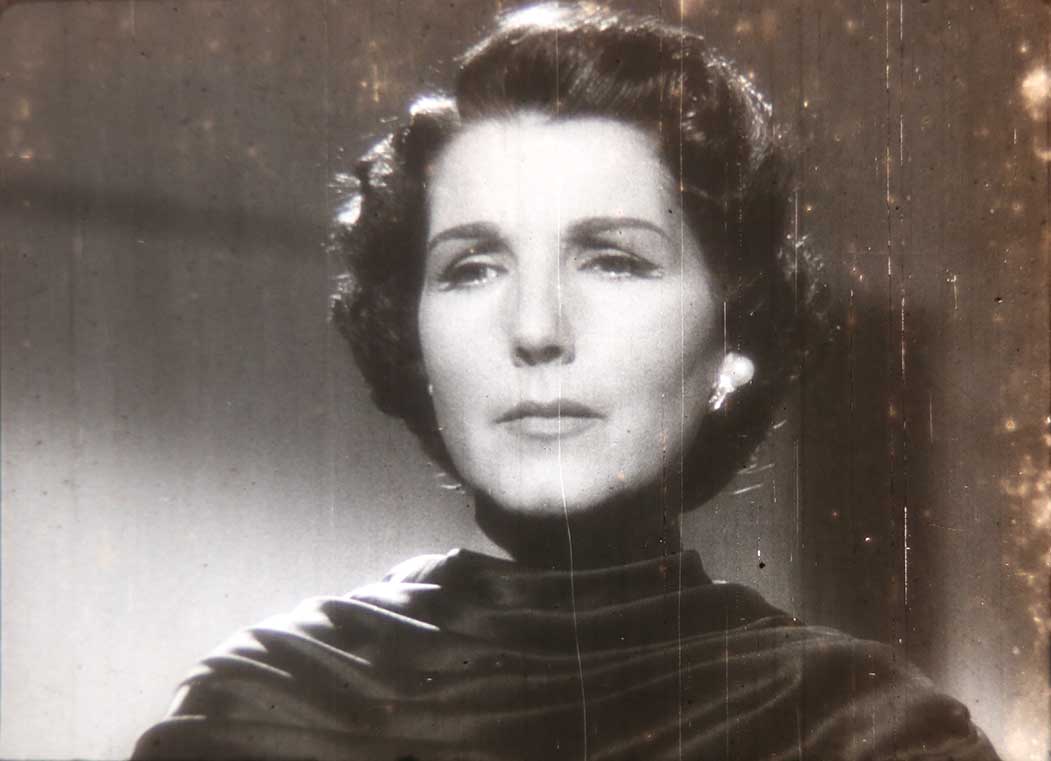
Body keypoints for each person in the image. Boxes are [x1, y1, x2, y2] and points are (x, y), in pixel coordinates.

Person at [134, 4, 1000, 759]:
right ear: (414, 342)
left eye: (613, 260)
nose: (535, 328)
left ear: (732, 338)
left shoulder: (864, 731)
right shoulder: (260, 712)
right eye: (472, 268)